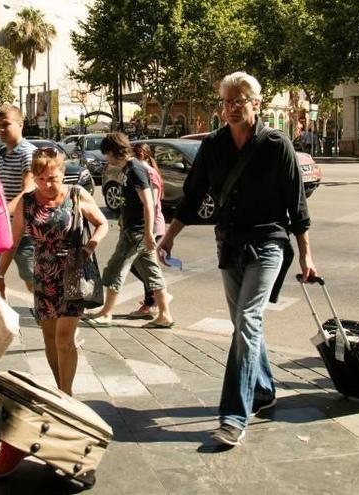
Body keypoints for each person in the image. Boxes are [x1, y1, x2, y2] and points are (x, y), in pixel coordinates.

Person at [158, 71, 316, 446]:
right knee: (245, 326)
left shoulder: (277, 146)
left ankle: (233, 414)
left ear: (255, 104)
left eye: (238, 100)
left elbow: (298, 206)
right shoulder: (213, 146)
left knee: (247, 320)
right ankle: (263, 389)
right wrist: (168, 237)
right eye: (226, 101)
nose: (230, 108)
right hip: (229, 245)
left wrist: (307, 255)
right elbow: (193, 196)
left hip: (269, 245)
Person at [0, 147, 109, 477]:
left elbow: (102, 224)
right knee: (50, 339)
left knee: (66, 339)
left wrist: (90, 245)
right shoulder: (27, 202)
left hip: (71, 271)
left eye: (51, 178)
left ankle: (66, 397)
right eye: (40, 179)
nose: (46, 185)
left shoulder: (76, 193)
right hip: (44, 275)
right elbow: (11, 242)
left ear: (61, 172)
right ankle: (60, 390)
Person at [84, 132, 174, 329]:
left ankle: (107, 313)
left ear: (114, 152)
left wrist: (149, 233)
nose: (106, 159)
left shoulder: (136, 170)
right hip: (134, 230)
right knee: (152, 273)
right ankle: (165, 315)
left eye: (107, 154)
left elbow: (148, 203)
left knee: (117, 269)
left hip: (137, 233)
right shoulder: (127, 169)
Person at [0, 105, 37, 292]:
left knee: (32, 279)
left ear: (20, 124)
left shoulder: (28, 153)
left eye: (6, 125)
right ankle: (1, 317)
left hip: (23, 230)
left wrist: (3, 212)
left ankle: (47, 315)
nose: (1, 130)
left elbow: (28, 190)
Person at [128, 142, 168, 318]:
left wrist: (147, 231)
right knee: (142, 264)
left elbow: (149, 203)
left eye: (133, 156)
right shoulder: (148, 171)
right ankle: (154, 298)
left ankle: (155, 299)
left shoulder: (148, 173)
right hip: (152, 226)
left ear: (142, 156)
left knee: (139, 264)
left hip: (152, 226)